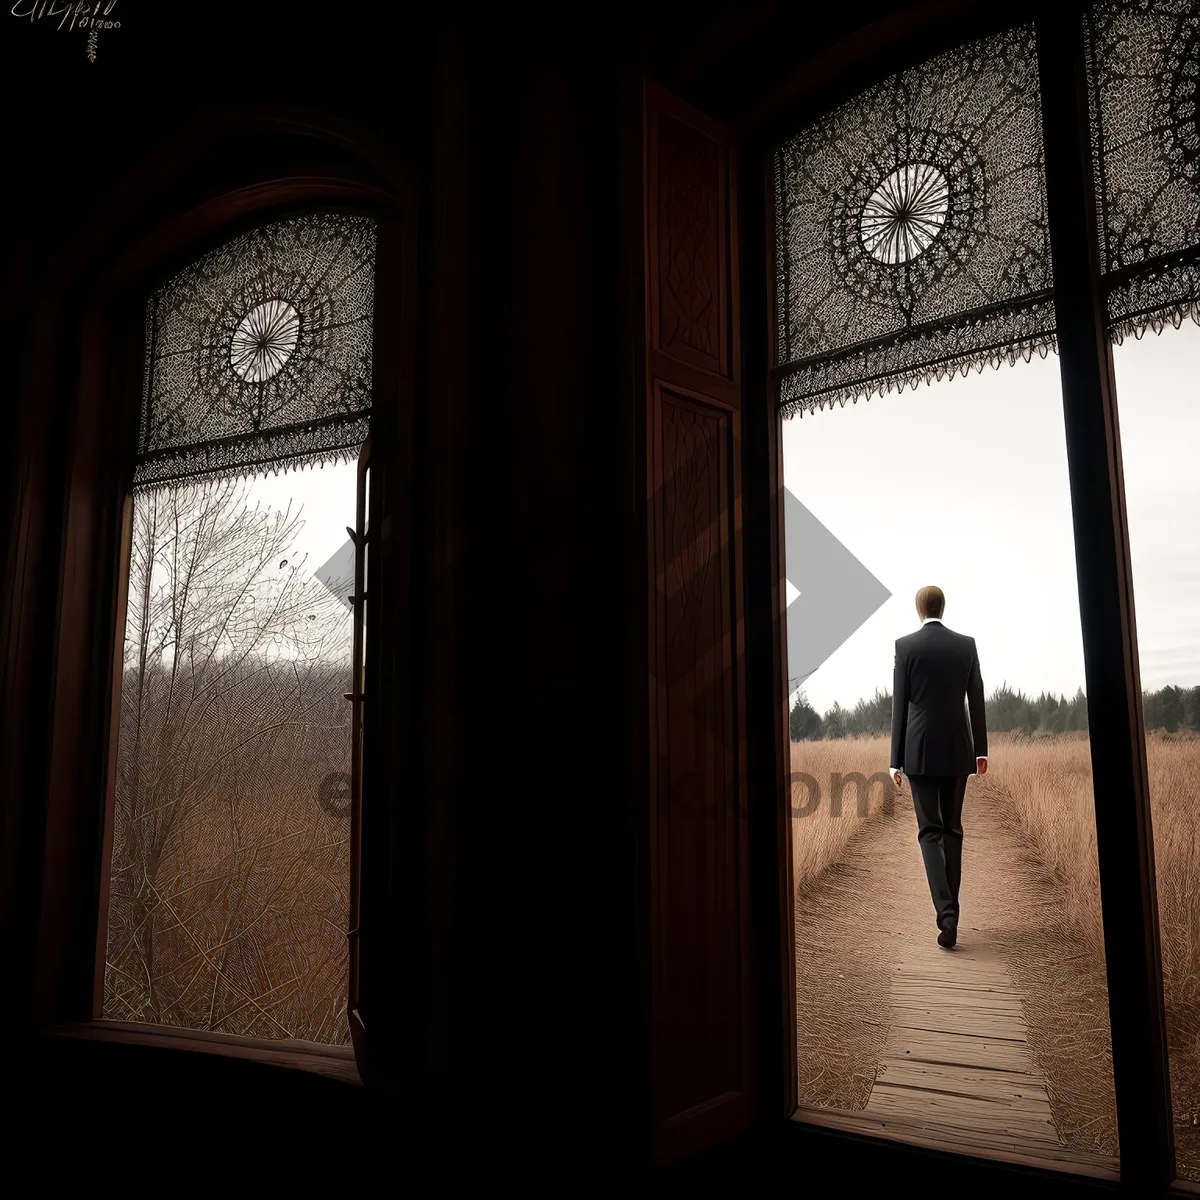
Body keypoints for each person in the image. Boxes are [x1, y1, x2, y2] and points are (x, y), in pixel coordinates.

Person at [889, 585, 988, 948]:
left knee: (929, 831)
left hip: (918, 751)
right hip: (960, 748)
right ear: (942, 608)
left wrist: (894, 760)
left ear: (919, 609)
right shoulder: (967, 645)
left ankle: (947, 915)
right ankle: (952, 914)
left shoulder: (905, 646)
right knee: (953, 830)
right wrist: (982, 750)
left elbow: (900, 705)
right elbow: (976, 697)